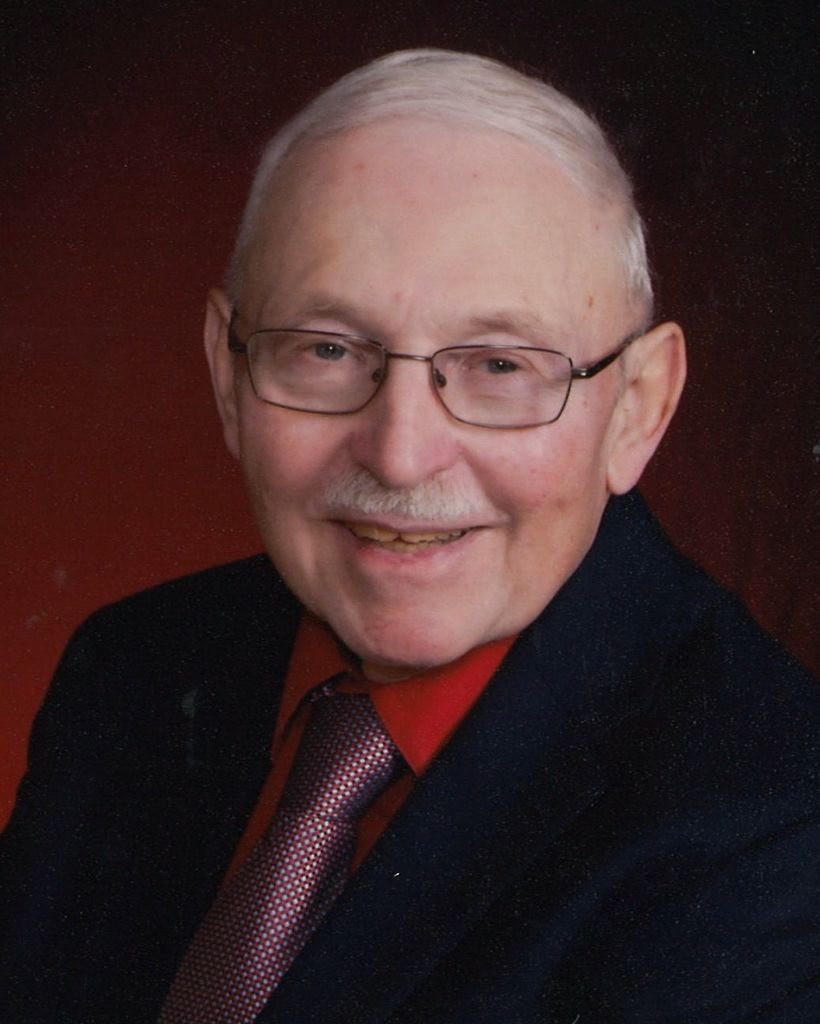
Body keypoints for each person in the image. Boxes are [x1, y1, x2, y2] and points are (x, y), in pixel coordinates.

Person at [1, 48, 817, 1024]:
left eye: (499, 365)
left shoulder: (775, 833)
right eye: (327, 348)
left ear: (638, 409)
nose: (399, 455)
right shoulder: (131, 670)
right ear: (228, 375)